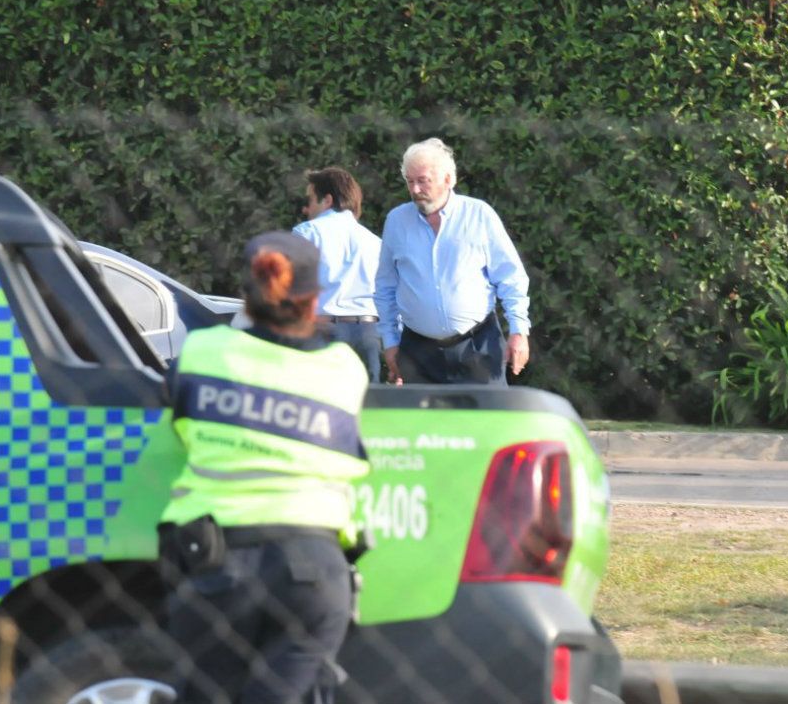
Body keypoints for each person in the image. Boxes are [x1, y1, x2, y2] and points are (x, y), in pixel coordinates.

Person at [158, 231, 370, 704]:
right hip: (314, 572)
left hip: (216, 562)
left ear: (247, 299)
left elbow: (175, 407)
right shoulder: (345, 369)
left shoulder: (203, 352)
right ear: (314, 302)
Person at [375, 138, 531, 385]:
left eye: (423, 181)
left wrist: (519, 330)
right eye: (410, 182)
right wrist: (390, 342)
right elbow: (385, 287)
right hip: (418, 352)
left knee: (485, 423)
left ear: (448, 179)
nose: (415, 190)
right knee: (424, 425)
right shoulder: (396, 221)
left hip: (477, 346)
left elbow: (510, 277)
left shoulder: (479, 215)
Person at [291, 167, 383, 383]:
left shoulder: (307, 232)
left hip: (323, 331)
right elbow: (389, 295)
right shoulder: (375, 242)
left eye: (311, 200)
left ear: (327, 200)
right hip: (369, 333)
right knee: (368, 409)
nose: (306, 208)